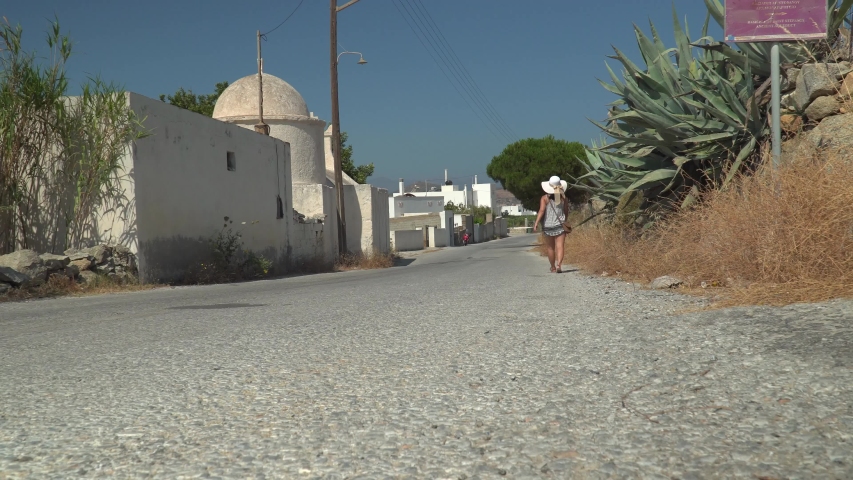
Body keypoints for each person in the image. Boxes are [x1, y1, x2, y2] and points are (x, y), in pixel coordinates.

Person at [533, 175, 570, 273]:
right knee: (560, 246)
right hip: (560, 225)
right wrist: (565, 220)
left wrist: (536, 223)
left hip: (548, 226)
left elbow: (541, 211)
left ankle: (553, 267)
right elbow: (566, 211)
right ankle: (559, 265)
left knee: (550, 248)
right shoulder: (564, 198)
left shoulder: (544, 198)